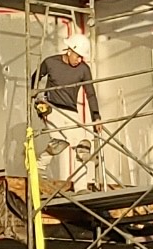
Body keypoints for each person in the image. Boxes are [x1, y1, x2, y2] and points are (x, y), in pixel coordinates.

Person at [32, 35, 101, 188]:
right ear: (69, 51)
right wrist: (35, 100)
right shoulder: (50, 63)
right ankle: (39, 167)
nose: (79, 60)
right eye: (77, 56)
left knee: (82, 146)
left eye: (82, 57)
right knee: (60, 141)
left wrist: (96, 117)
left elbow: (90, 94)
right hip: (51, 107)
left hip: (70, 110)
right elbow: (34, 80)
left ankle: (81, 188)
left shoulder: (83, 69)